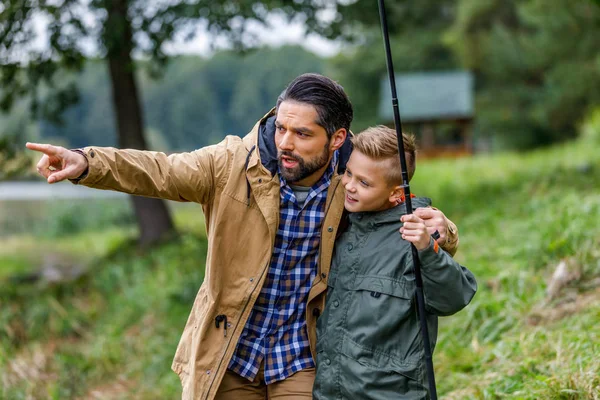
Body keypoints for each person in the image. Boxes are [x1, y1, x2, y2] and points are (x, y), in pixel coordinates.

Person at [26, 74, 460, 400]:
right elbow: (161, 170)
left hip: (301, 352)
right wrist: (87, 163)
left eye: (303, 134)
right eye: (281, 128)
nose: (286, 142)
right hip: (231, 347)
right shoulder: (231, 162)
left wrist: (445, 230)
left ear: (337, 139)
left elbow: (403, 209)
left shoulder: (351, 181)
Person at [312, 125, 477, 400]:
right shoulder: (339, 225)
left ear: (396, 193)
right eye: (349, 173)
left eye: (364, 183)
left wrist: (428, 248)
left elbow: (454, 297)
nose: (350, 186)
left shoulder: (415, 236)